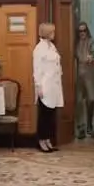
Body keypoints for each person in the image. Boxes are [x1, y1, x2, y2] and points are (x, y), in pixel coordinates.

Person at [33, 22, 63, 153]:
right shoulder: (39, 48)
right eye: (52, 31)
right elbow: (37, 69)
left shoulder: (52, 46)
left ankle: (48, 139)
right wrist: (38, 86)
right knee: (44, 114)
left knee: (51, 114)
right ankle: (41, 140)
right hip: (45, 85)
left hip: (54, 85)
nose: (54, 34)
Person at [75, 22, 94, 139]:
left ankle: (89, 123)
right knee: (79, 101)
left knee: (91, 99)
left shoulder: (92, 40)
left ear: (87, 31)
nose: (82, 33)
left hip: (89, 73)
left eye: (84, 30)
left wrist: (91, 56)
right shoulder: (75, 43)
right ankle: (81, 127)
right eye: (80, 31)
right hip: (78, 74)